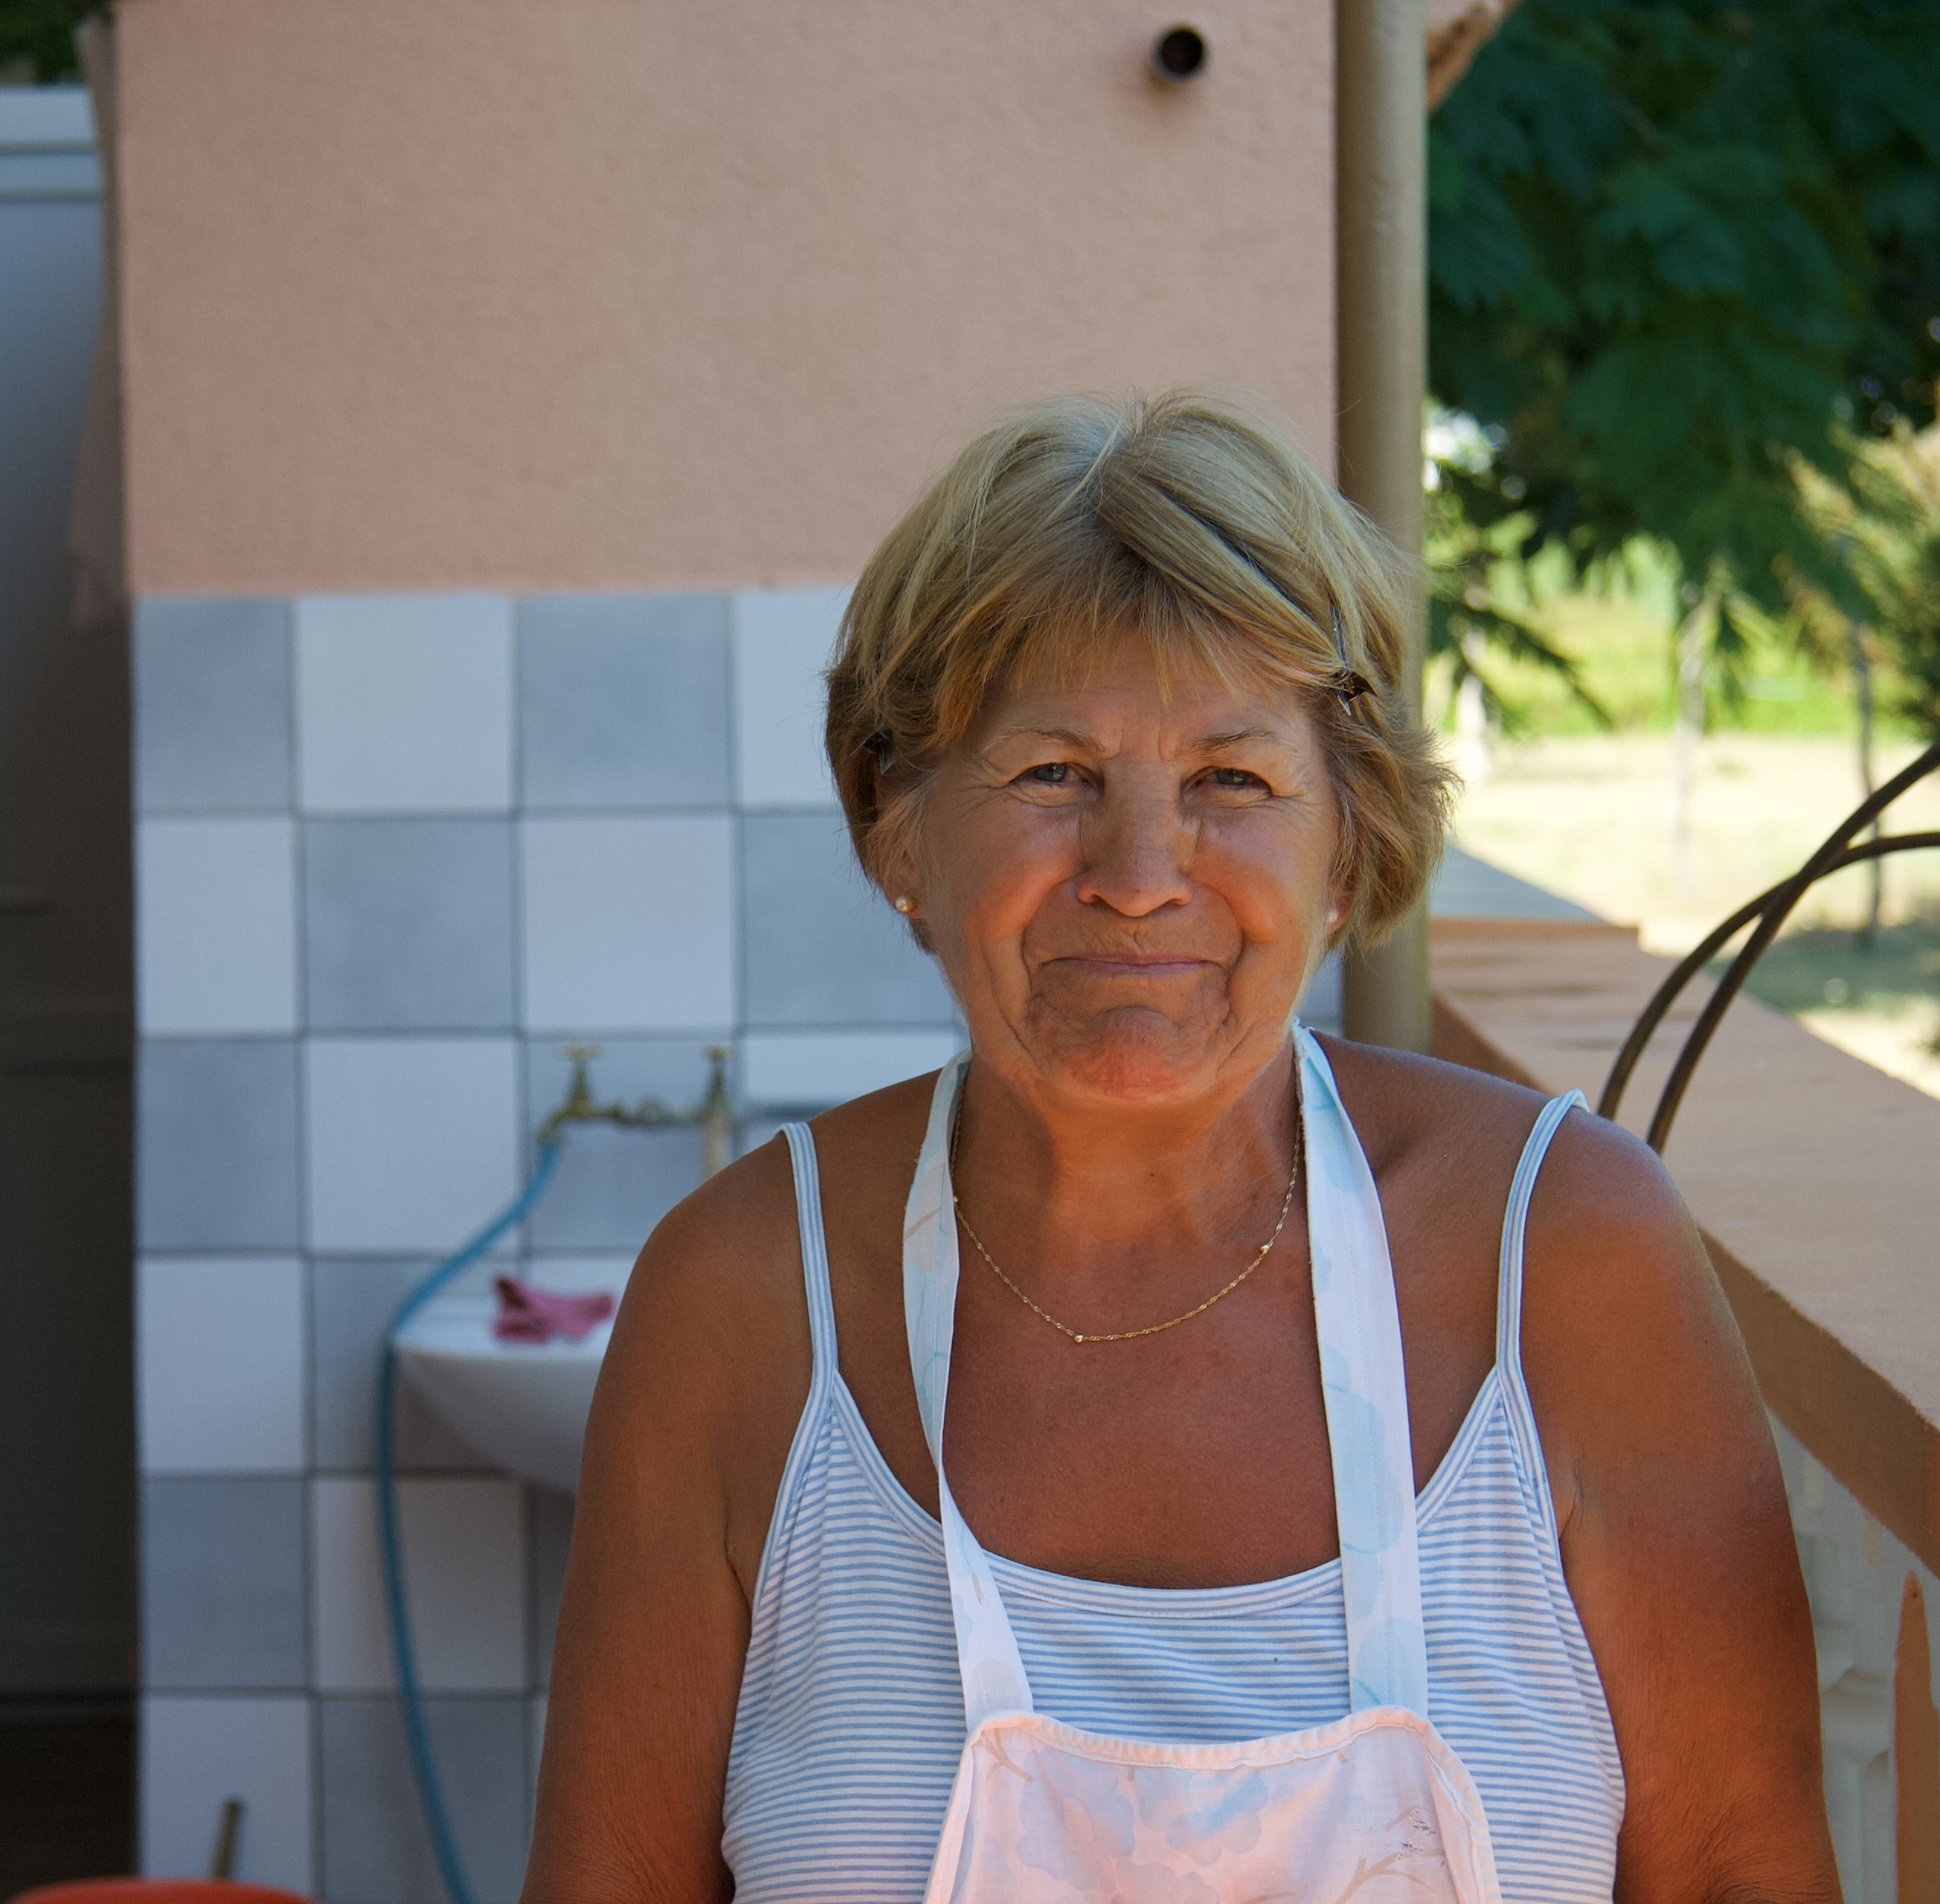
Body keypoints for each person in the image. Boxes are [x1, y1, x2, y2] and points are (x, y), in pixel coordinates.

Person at [523, 393, 1837, 1904]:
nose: (1140, 875)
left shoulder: (1570, 1257)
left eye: (1233, 779)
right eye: (1053, 774)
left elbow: (1743, 1871)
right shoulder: (742, 1299)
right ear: (899, 825)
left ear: (1349, 837)